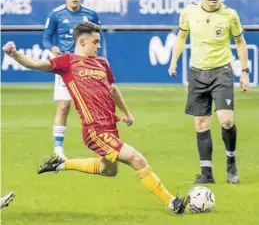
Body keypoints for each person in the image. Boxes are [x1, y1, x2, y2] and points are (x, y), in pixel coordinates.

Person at [3, 22, 188, 214]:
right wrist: (15, 54)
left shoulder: (102, 63)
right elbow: (36, 64)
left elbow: (113, 89)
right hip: (94, 130)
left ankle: (61, 163)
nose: (98, 46)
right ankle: (172, 201)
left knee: (110, 170)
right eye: (95, 42)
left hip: (109, 127)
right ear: (82, 42)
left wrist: (126, 112)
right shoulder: (67, 62)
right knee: (137, 159)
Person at [168, 0, 249, 184]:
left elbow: (240, 42)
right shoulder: (189, 13)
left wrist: (245, 71)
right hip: (197, 73)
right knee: (201, 124)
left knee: (226, 120)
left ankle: (231, 163)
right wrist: (173, 61)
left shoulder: (230, 15)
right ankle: (206, 174)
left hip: (221, 71)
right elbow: (181, 37)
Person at [43, 0, 106, 160]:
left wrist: (100, 58)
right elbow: (46, 38)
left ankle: (100, 144)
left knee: (93, 107)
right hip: (66, 65)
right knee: (63, 107)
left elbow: (100, 38)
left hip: (86, 66)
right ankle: (58, 149)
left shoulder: (91, 14)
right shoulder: (56, 14)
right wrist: (53, 48)